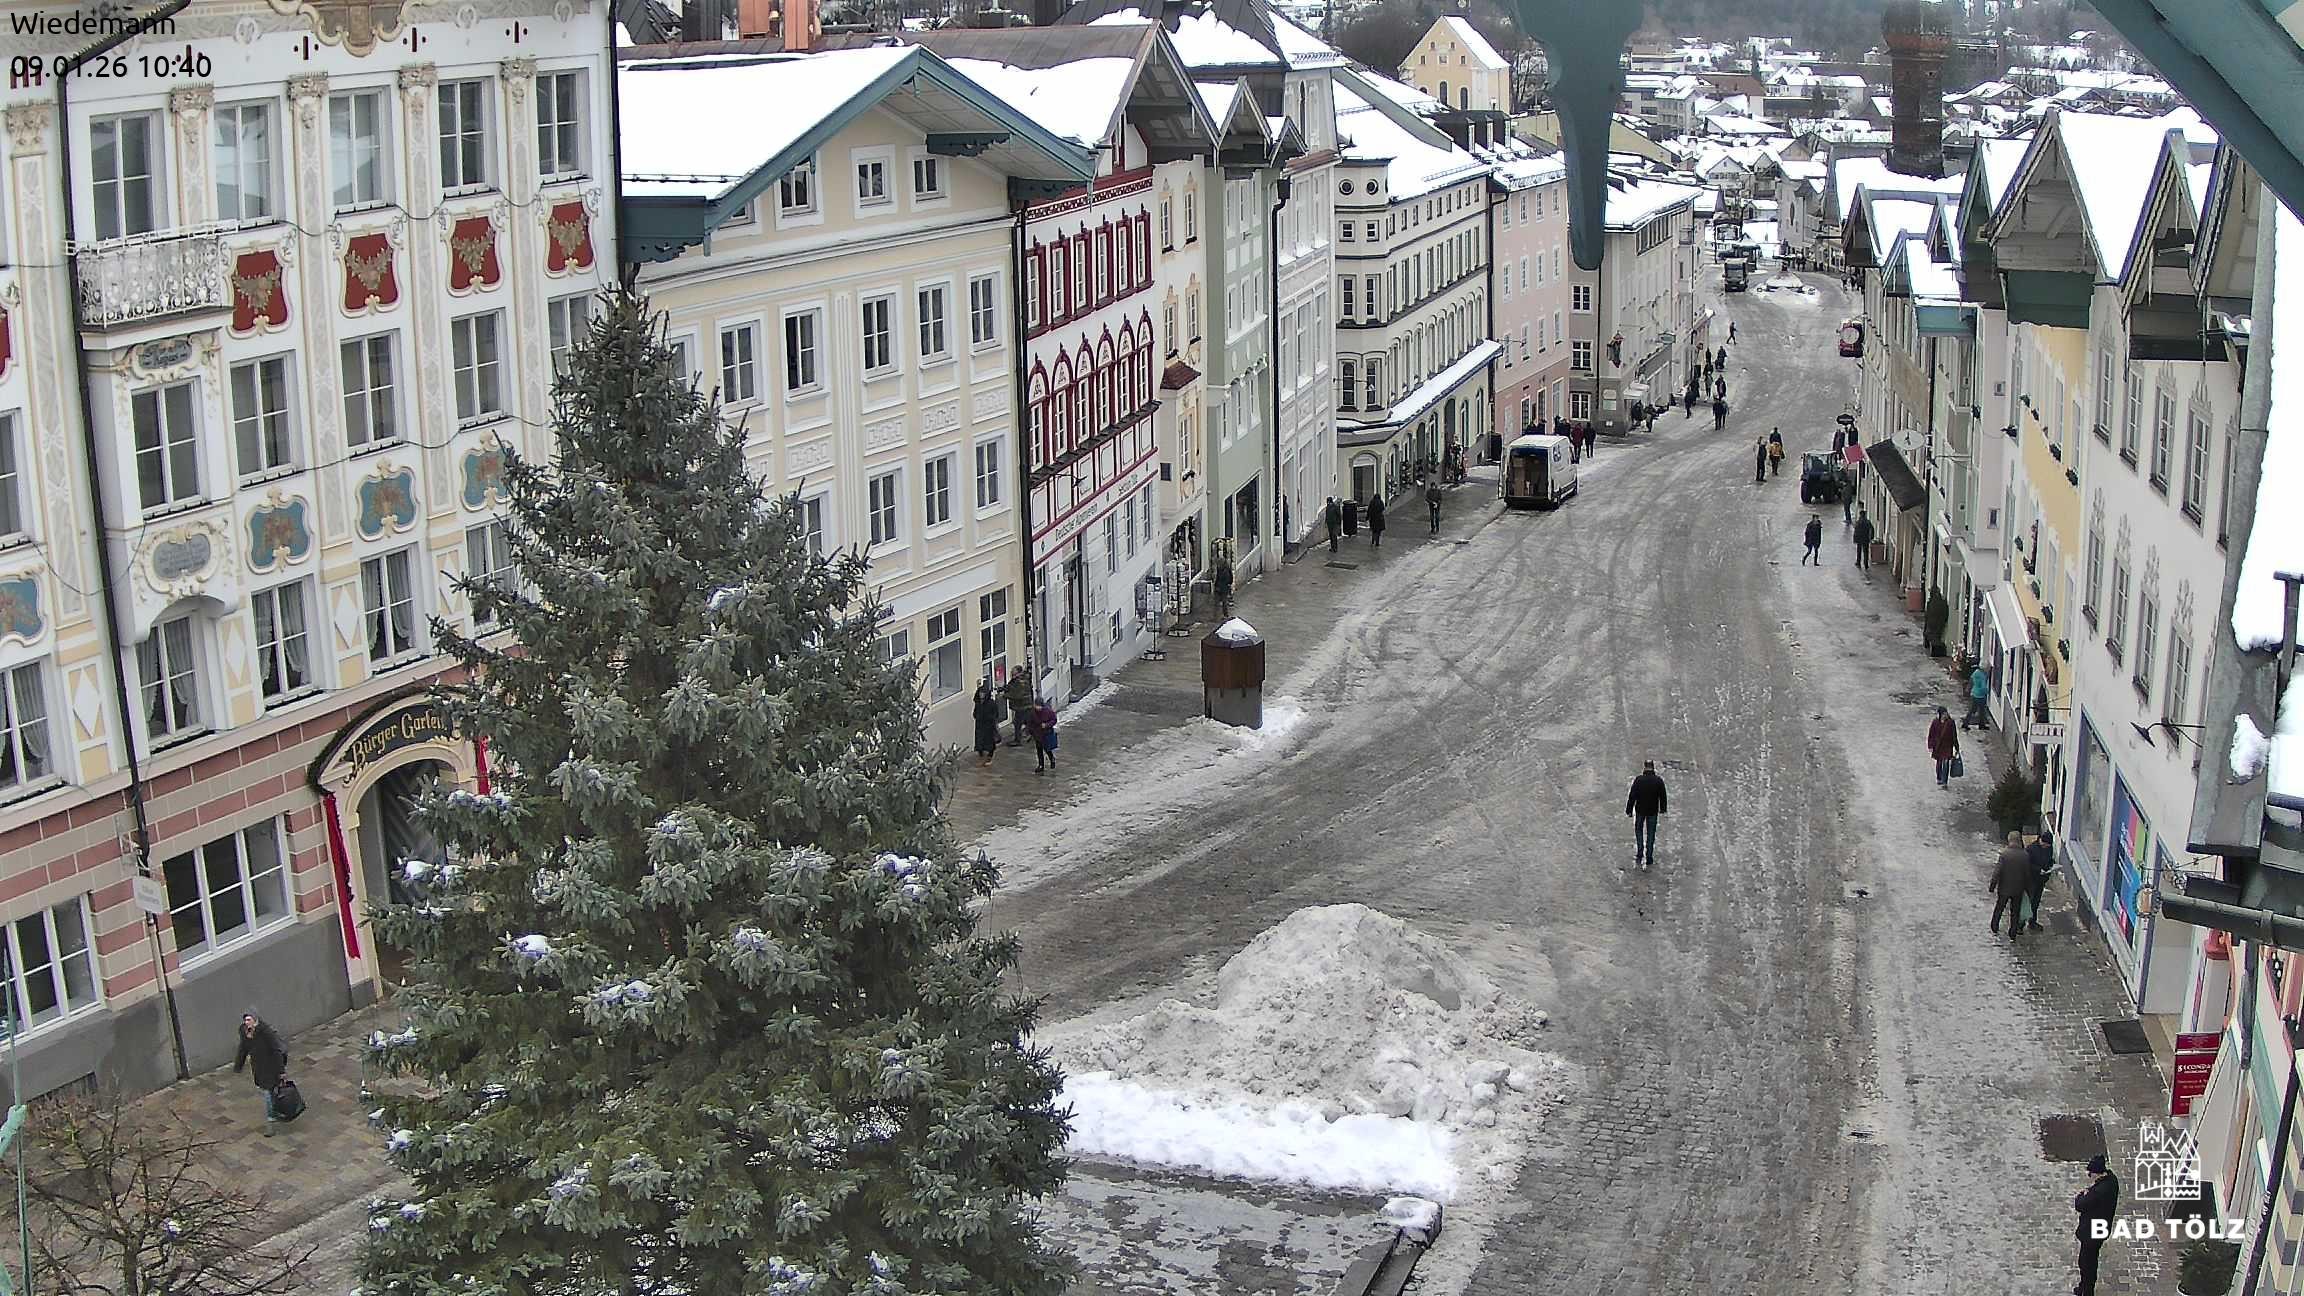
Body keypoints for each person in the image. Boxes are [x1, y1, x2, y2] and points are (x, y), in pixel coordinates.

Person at [233, 1012, 290, 1136]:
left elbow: (276, 1051)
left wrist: (281, 1072)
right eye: (245, 1020)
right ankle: (278, 1111)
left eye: (249, 1019)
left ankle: (271, 1122)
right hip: (259, 1070)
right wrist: (238, 1065)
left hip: (271, 1068)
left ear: (255, 1020)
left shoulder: (266, 1033)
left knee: (268, 1094)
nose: (246, 1023)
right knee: (270, 1092)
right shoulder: (245, 1033)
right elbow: (243, 1049)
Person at [2074, 1154, 2121, 1296]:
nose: (2089, 1176)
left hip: (2091, 1232)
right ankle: (2084, 1288)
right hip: (2101, 1228)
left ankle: (2087, 1291)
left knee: (2086, 1263)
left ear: (2097, 1173)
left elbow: (2080, 1205)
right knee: (2090, 1260)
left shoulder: (2098, 1192)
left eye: (2091, 1173)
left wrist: (2082, 1195)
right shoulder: (2112, 1181)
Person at [1625, 761, 1668, 867]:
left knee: (1639, 830)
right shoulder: (1658, 781)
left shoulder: (1639, 780)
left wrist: (1629, 810)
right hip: (1652, 811)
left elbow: (1632, 795)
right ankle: (1649, 855)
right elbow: (1663, 796)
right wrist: (1663, 808)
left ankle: (1640, 852)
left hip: (1640, 810)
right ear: (1653, 768)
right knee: (1651, 833)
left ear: (1644, 767)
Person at [1990, 831, 2032, 938]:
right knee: (2015, 911)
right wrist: (2028, 889)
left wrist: (1992, 886)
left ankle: (1994, 927)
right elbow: (2027, 874)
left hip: (2004, 888)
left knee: (1999, 908)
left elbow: (1997, 872)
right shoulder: (2025, 855)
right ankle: (2013, 932)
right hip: (2018, 889)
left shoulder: (2005, 854)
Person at [2026, 830, 2056, 933]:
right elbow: (2027, 865)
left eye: (2048, 846)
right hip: (2031, 880)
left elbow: (2049, 859)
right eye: (2045, 845)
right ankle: (2021, 924)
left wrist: (2051, 865)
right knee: (2028, 902)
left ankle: (2032, 922)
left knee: (2036, 902)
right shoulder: (2031, 849)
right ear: (2041, 841)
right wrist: (2038, 870)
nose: (2046, 847)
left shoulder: (2049, 848)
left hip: (2041, 880)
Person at [1927, 705, 1960, 787]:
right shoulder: (1935, 722)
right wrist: (1930, 745)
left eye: (1946, 713)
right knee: (1939, 762)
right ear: (1940, 714)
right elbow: (1931, 734)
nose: (1946, 715)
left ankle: (1944, 781)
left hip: (1948, 745)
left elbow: (1954, 735)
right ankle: (1939, 778)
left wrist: (1956, 747)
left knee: (1946, 763)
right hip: (1938, 746)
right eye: (1944, 714)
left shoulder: (1951, 722)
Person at [972, 682, 1001, 766]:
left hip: (989, 726)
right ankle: (982, 756)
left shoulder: (991, 703)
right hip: (979, 725)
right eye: (980, 693)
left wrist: (990, 719)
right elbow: (975, 712)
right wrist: (976, 716)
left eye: (983, 693)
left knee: (989, 742)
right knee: (979, 742)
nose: (981, 695)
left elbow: (995, 714)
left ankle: (988, 758)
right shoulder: (978, 703)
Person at [1002, 670, 1033, 746]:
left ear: (1018, 673)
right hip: (1022, 706)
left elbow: (1017, 695)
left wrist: (1005, 695)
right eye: (1011, 674)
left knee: (1017, 723)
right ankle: (1031, 734)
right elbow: (1012, 688)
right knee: (1027, 721)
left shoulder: (1021, 682)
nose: (1012, 675)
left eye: (1013, 674)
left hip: (1023, 706)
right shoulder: (1016, 680)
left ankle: (1018, 740)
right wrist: (1005, 688)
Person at [1030, 698, 1059, 774]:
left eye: (1039, 706)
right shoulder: (1033, 712)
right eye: (1036, 706)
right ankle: (1041, 765)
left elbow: (1054, 720)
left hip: (1046, 733)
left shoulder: (1048, 711)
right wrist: (1031, 731)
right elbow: (1030, 722)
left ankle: (1051, 758)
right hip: (1037, 733)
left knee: (1047, 748)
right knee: (1039, 750)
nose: (1037, 707)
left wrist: (1047, 725)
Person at [1964, 662, 1991, 729]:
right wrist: (1987, 692)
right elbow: (1983, 686)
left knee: (1971, 710)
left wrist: (1968, 689)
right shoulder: (1983, 675)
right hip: (1981, 696)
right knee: (1982, 711)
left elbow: (1971, 680)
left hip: (1974, 694)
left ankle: (1965, 723)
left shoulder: (1976, 672)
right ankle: (1981, 725)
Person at [1852, 508, 1875, 573]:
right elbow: (1872, 529)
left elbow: (1856, 531)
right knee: (1866, 552)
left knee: (1859, 551)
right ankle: (1866, 564)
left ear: (1860, 515)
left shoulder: (1858, 522)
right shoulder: (1868, 522)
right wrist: (1871, 537)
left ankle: (1858, 562)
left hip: (1859, 539)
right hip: (1866, 539)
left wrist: (1855, 539)